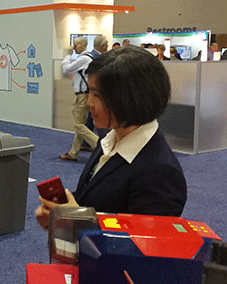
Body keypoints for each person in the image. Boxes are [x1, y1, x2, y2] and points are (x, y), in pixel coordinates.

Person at [36, 46, 187, 228]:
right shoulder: (111, 139)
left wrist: (77, 220)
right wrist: (60, 211)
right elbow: (95, 198)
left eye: (97, 95)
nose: (89, 102)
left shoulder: (160, 173)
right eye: (90, 92)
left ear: (130, 99)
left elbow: (141, 241)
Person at [59, 37, 98, 161]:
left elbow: (66, 69)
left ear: (82, 45)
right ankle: (73, 153)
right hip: (84, 95)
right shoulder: (88, 58)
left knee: (77, 125)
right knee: (80, 124)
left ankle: (98, 144)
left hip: (82, 96)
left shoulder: (84, 58)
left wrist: (67, 55)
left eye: (75, 45)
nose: (74, 47)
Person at [81, 36, 108, 152]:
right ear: (103, 45)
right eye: (106, 44)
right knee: (95, 116)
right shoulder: (96, 58)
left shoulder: (93, 56)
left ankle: (85, 143)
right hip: (96, 91)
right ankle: (98, 144)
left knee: (91, 118)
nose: (107, 47)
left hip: (92, 91)